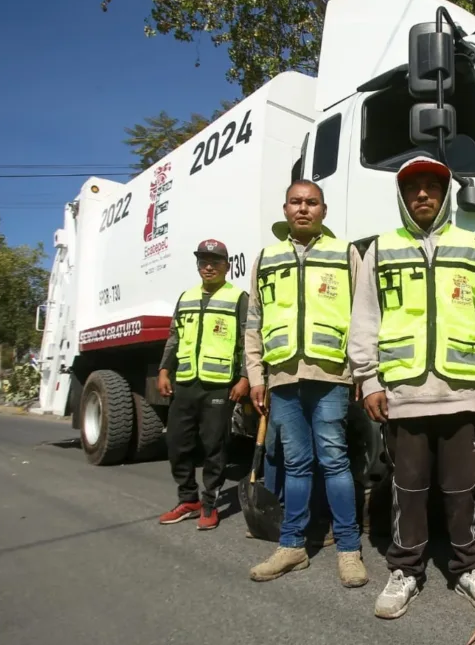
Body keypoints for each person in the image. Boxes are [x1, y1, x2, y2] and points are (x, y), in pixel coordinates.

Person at [348, 156, 475, 620]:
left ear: (444, 196)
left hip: (460, 388)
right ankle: (406, 569)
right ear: (402, 197)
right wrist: (368, 380)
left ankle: (468, 566)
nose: (423, 194)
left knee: (463, 487)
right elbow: (364, 318)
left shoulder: (473, 244)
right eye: (413, 188)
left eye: (432, 187)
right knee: (408, 487)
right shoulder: (379, 249)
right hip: (402, 391)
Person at [244, 180, 367, 587]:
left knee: (334, 461)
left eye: (311, 203)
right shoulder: (267, 258)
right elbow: (254, 324)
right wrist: (256, 375)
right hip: (282, 379)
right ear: (284, 209)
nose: (303, 209)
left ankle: (349, 549)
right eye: (296, 202)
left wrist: (362, 373)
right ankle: (292, 546)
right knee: (296, 464)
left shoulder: (344, 252)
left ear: (323, 211)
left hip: (330, 376)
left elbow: (363, 316)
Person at [157, 239, 250, 531]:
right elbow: (174, 337)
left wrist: (245, 377)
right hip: (185, 382)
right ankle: (188, 500)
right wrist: (163, 370)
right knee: (177, 444)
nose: (209, 267)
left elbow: (247, 340)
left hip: (219, 385)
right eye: (203, 262)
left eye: (215, 262)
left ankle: (210, 503)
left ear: (227, 265)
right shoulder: (185, 297)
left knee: (214, 447)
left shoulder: (238, 298)